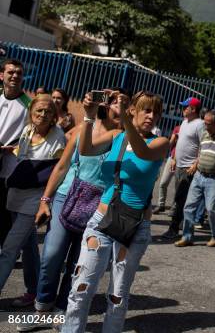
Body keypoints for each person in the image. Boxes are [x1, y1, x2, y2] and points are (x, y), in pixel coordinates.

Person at [61, 90, 169, 332]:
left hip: (134, 227)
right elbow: (85, 149)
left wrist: (126, 120)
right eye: (146, 110)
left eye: (156, 112)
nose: (152, 116)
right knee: (81, 288)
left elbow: (142, 152)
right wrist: (89, 117)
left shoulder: (161, 143)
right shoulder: (117, 135)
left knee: (117, 296)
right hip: (101, 221)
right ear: (133, 110)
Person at [16, 91, 123, 331]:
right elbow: (62, 165)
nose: (114, 104)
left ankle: (61, 310)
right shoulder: (81, 130)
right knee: (52, 255)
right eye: (111, 100)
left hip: (99, 204)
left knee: (78, 263)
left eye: (119, 102)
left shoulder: (123, 137)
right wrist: (45, 199)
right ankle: (42, 308)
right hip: (67, 195)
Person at [0, 94, 66, 306]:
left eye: (48, 111)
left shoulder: (58, 137)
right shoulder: (27, 132)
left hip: (35, 200)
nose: (43, 114)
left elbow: (59, 171)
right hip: (15, 195)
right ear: (31, 113)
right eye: (39, 110)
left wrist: (45, 201)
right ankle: (34, 291)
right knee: (28, 247)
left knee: (9, 249)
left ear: (54, 115)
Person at [175, 110, 215, 247]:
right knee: (188, 207)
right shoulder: (204, 134)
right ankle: (187, 237)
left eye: (208, 124)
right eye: (205, 123)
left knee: (211, 209)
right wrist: (195, 165)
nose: (205, 126)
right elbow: (201, 152)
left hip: (214, 179)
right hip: (199, 176)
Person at [162, 97, 204, 240]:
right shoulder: (185, 122)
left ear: (193, 109)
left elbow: (203, 146)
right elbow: (180, 142)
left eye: (185, 107)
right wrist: (174, 158)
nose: (182, 109)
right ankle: (179, 224)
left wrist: (195, 164)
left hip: (189, 168)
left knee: (181, 199)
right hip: (179, 165)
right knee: (179, 198)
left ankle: (174, 229)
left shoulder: (200, 125)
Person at [0, 59, 30, 247]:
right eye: (11, 72)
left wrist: (15, 148)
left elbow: (32, 136)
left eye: (19, 73)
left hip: (9, 166)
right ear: (1, 75)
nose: (15, 76)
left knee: (3, 209)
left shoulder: (29, 104)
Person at [153, 124, 180, 214]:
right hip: (172, 157)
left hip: (183, 161)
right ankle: (161, 205)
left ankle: (175, 206)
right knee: (163, 183)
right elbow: (170, 143)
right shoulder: (177, 128)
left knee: (178, 186)